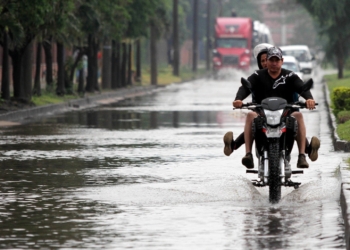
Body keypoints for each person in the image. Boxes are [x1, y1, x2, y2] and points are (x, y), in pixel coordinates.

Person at [224, 46, 320, 169]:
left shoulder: (290, 75)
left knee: (299, 115)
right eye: (271, 60)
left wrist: (309, 99)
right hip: (261, 114)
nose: (274, 63)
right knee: (250, 115)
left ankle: (302, 155)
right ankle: (248, 154)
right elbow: (245, 88)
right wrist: (238, 100)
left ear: (282, 61)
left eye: (277, 60)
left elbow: (302, 88)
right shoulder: (257, 75)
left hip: (286, 114)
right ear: (266, 61)